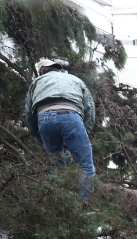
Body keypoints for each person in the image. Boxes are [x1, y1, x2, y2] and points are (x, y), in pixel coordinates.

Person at [23, 58, 96, 197]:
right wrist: (83, 131)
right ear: (57, 69)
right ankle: (85, 207)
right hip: (71, 116)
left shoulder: (37, 82)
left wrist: (40, 136)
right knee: (85, 165)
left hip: (43, 119)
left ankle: (60, 210)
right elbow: (89, 110)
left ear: (41, 71)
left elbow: (28, 114)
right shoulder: (75, 79)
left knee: (57, 168)